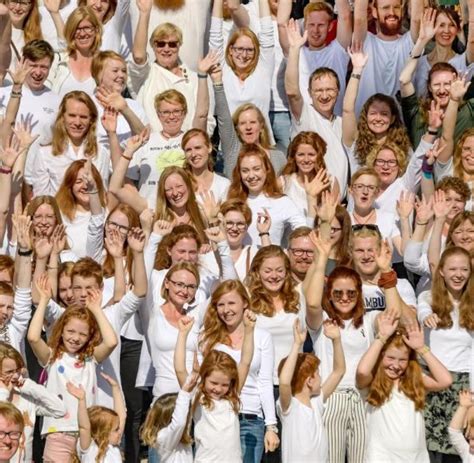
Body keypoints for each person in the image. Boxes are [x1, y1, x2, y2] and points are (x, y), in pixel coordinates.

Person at [27, 274, 118, 460]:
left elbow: (111, 342)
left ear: (90, 336)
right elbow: (33, 338)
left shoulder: (90, 359)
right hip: (58, 434)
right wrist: (44, 300)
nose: (75, 338)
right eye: (70, 331)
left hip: (88, 435)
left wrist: (95, 309)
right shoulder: (52, 357)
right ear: (61, 331)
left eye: (82, 334)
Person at [199, 280, 279, 462]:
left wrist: (271, 426)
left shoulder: (262, 337)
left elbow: (265, 382)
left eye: (231, 303)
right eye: (221, 304)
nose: (226, 310)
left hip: (250, 418)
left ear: (244, 303)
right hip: (216, 419)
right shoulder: (208, 338)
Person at [356, 312, 452, 462]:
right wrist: (381, 338)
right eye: (390, 358)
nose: (395, 365)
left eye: (402, 360)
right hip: (381, 456)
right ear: (380, 356)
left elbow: (445, 380)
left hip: (415, 457)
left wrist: (421, 348)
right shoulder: (373, 380)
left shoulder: (414, 379)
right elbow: (362, 371)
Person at [174, 309, 256, 463]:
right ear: (204, 378)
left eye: (224, 384)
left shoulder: (232, 396)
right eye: (213, 383)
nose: (218, 389)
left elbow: (245, 362)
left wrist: (249, 330)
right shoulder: (198, 396)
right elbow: (180, 369)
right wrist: (182, 334)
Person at [417, 246, 473, 462]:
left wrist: (472, 402)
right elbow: (423, 311)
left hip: (462, 389)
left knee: (458, 452)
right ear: (441, 271)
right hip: (432, 382)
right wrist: (427, 317)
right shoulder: (428, 297)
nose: (458, 275)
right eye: (452, 269)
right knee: (429, 452)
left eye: (464, 269)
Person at [284, 19, 349, 198]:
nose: (324, 95)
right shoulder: (305, 115)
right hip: (309, 202)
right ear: (310, 93)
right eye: (319, 90)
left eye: (329, 90)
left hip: (339, 206)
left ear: (338, 92)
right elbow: (291, 91)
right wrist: (295, 49)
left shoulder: (343, 123)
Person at [130, 10, 216, 133]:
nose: (166, 49)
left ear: (179, 45)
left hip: (188, 147)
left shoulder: (198, 78)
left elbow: (208, 121)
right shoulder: (145, 75)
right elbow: (138, 56)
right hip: (153, 148)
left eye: (172, 44)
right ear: (153, 46)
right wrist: (144, 13)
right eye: (160, 44)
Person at [277, 318, 345, 463]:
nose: (321, 377)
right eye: (318, 373)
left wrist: (337, 340)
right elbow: (284, 382)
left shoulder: (317, 402)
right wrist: (297, 345)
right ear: (309, 381)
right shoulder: (290, 407)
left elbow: (339, 371)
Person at [277, 0, 352, 116]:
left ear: (330, 26)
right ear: (304, 25)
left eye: (321, 25)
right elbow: (282, 24)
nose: (315, 30)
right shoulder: (295, 52)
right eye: (311, 25)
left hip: (334, 130)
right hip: (304, 130)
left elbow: (345, 16)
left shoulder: (338, 52)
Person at [30, 92, 111, 197]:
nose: (77, 122)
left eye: (83, 117)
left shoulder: (101, 153)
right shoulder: (45, 153)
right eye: (72, 115)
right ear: (62, 117)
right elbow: (41, 198)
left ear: (91, 120)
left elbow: (102, 196)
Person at [351, 0, 423, 115]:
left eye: (396, 7)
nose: (392, 12)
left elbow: (417, 19)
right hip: (366, 126)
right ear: (374, 12)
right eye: (385, 8)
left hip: (400, 128)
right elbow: (359, 19)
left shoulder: (409, 42)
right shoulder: (366, 41)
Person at [227, 145, 307, 246]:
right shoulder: (232, 200)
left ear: (267, 169)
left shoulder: (282, 202)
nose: (251, 176)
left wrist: (286, 253)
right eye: (245, 171)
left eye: (256, 169)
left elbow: (304, 231)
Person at [0, 342, 66, 463]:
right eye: (9, 372)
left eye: (18, 370)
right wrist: (3, 393)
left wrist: (29, 385)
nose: (15, 376)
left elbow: (59, 409)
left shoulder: (26, 399)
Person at [140, 371, 198, 463]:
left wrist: (195, 374)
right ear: (171, 418)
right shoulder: (163, 437)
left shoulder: (179, 435)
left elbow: (185, 418)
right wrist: (184, 393)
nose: (188, 416)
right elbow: (179, 422)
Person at [66, 372, 126, 462]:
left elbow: (122, 416)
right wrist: (82, 400)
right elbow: (84, 427)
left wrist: (115, 388)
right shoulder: (90, 448)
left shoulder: (112, 447)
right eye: (116, 429)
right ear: (102, 432)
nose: (120, 431)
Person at [47, 6, 103, 98]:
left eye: (87, 28)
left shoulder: (104, 64)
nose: (82, 34)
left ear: (96, 29)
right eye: (77, 29)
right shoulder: (57, 60)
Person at [280, 131, 337, 219]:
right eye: (301, 154)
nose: (306, 160)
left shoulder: (331, 182)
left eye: (311, 154)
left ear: (319, 156)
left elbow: (337, 218)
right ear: (294, 157)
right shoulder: (283, 183)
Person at [448, 390, 474, 463]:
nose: (472, 444)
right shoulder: (469, 454)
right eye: (472, 439)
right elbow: (454, 432)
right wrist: (463, 407)